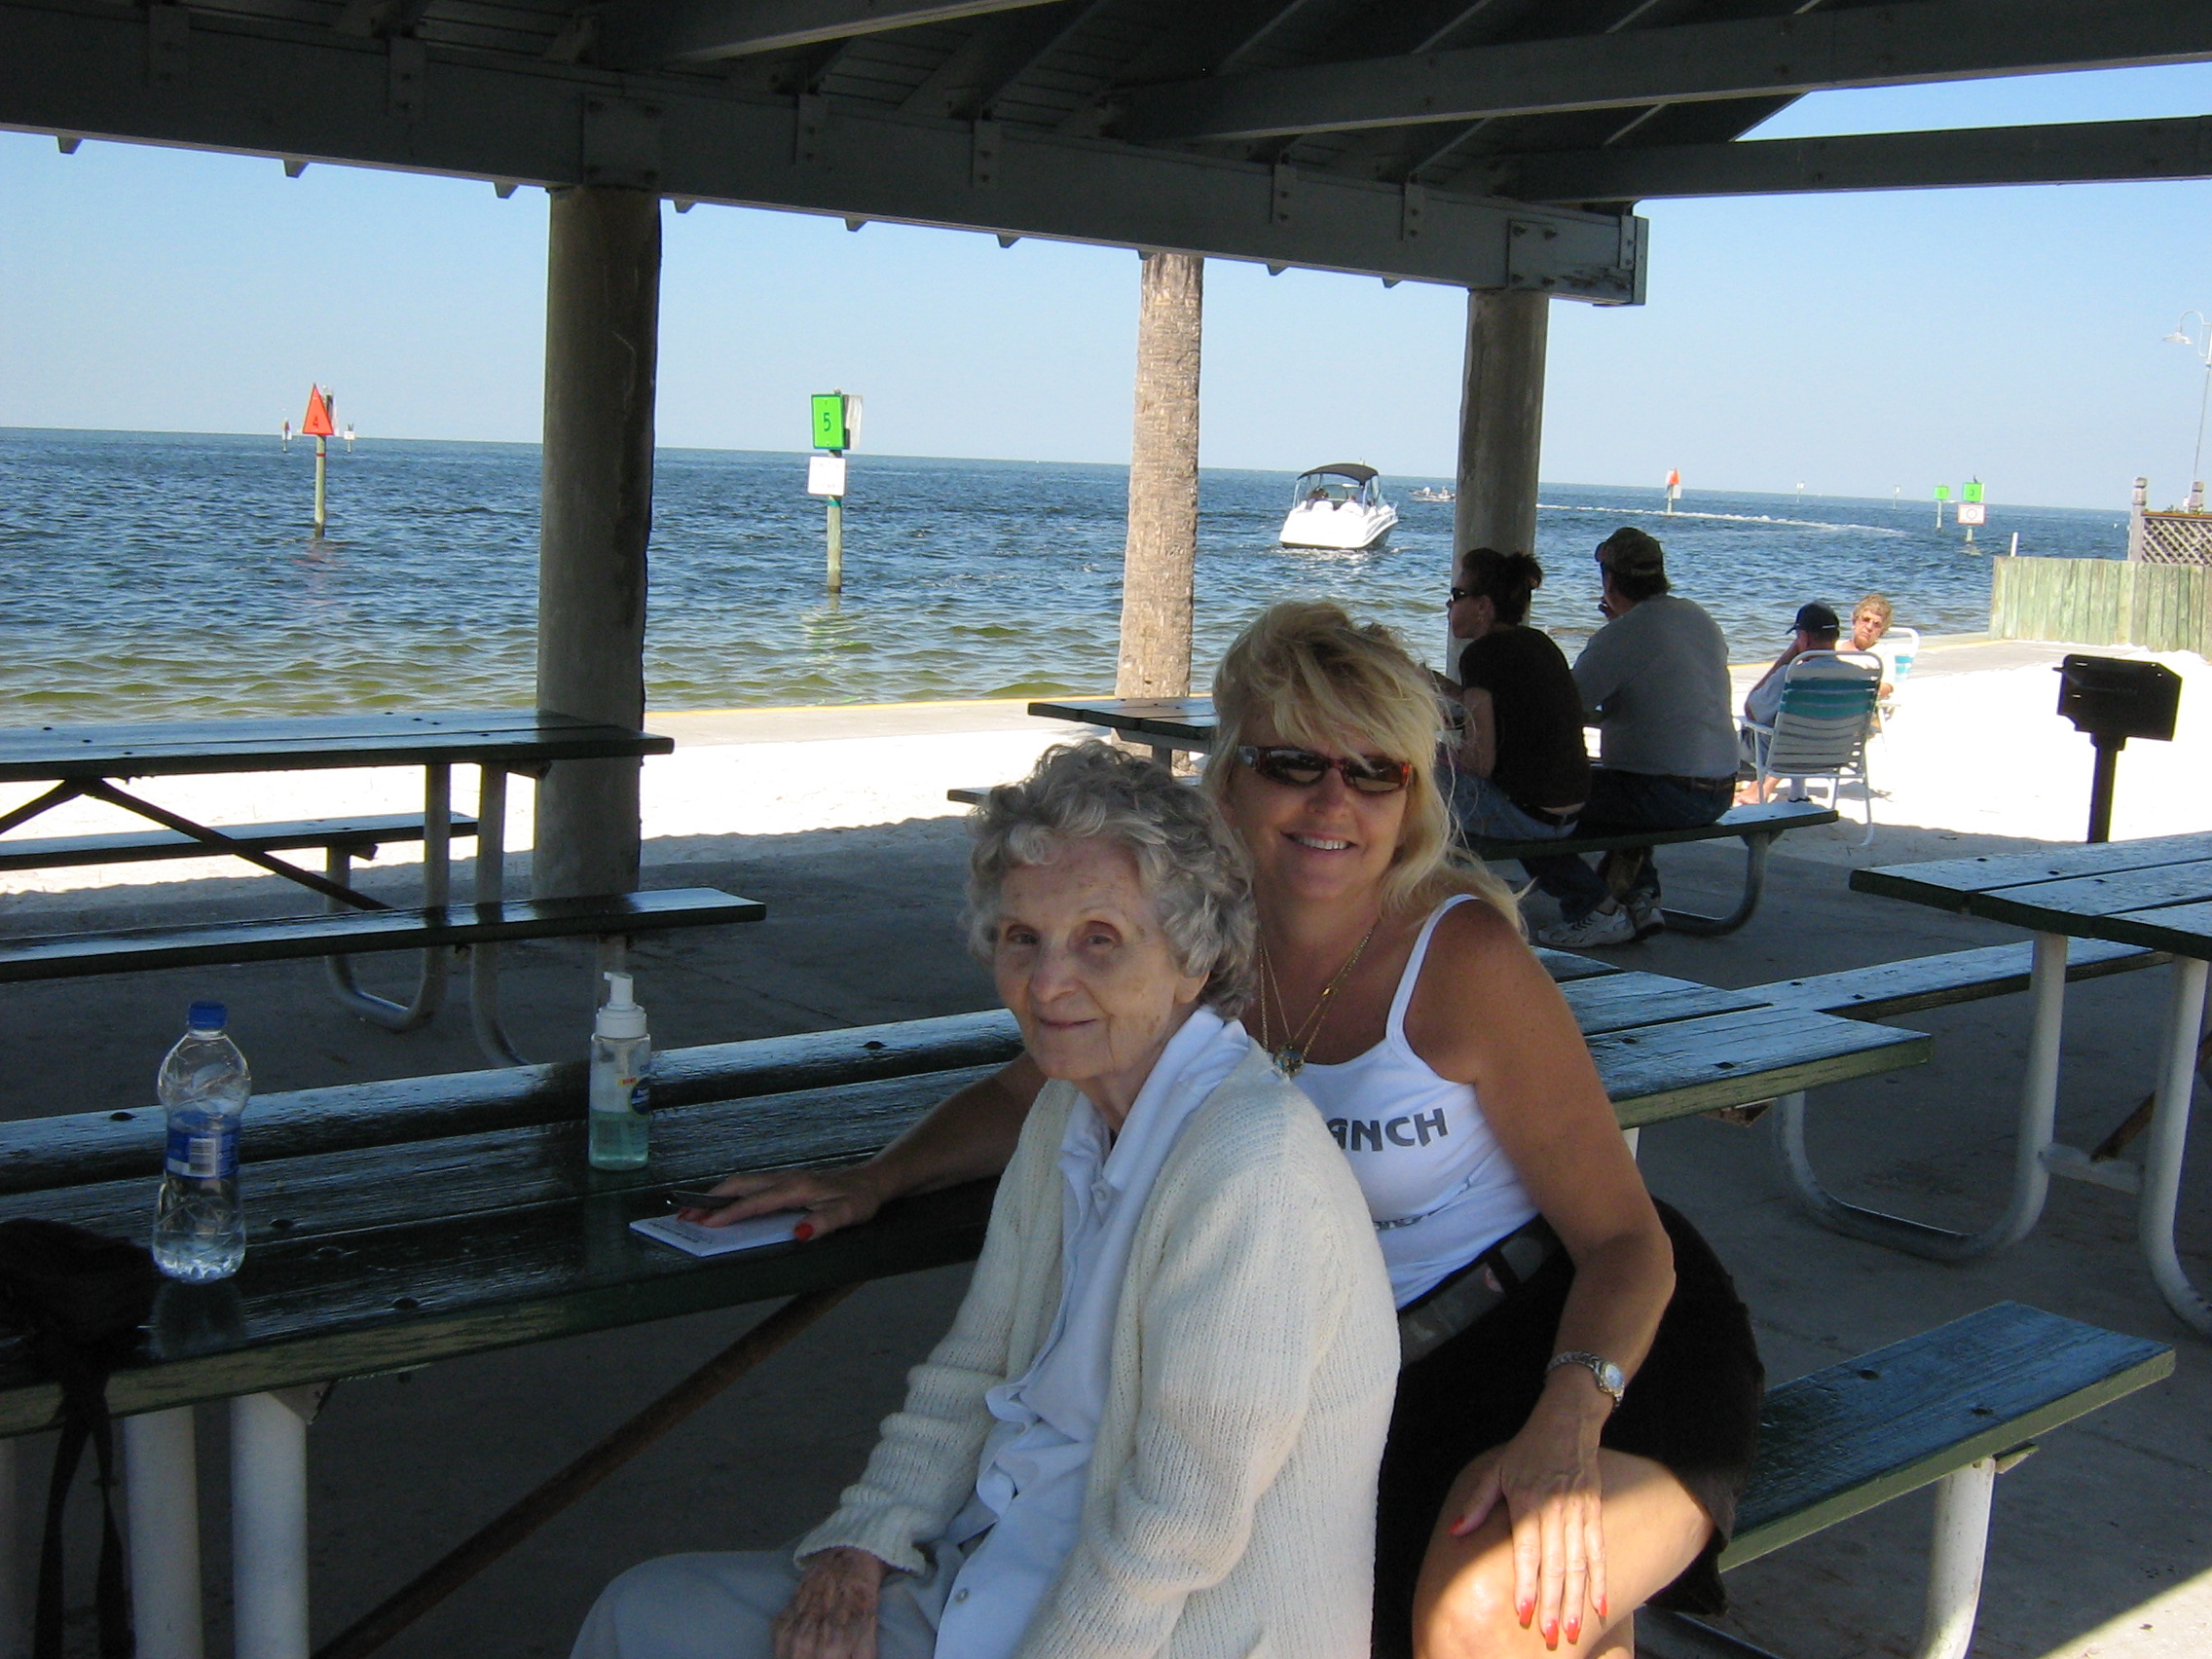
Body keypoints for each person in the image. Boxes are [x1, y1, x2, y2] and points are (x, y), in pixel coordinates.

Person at [690, 603, 1765, 1659]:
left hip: (1570, 1340)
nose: (1333, 800)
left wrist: (1566, 1423)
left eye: (1375, 770)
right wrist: (879, 1179)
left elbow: (1625, 1242)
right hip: (1358, 1379)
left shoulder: (1461, 961)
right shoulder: (1198, 938)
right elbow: (1031, 1093)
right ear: (1228, 775)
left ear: (1411, 795)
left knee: (1480, 1622)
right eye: (1292, 762)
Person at [573, 740, 1399, 1659]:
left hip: (1159, 1634)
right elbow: (974, 1369)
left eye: (1099, 939)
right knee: (640, 1614)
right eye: (1021, 938)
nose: (1047, 983)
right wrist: (863, 1541)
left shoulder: (1253, 1168)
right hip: (992, 1571)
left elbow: (1177, 1526)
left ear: (1193, 959)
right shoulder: (1066, 1113)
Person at [1523, 529, 1738, 949]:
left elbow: (1564, 708)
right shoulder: (1698, 617)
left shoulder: (1623, 635)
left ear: (1609, 580)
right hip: (1719, 790)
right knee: (1613, 791)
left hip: (1665, 793)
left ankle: (1593, 908)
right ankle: (1640, 896)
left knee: (1532, 808)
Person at [1438, 548, 1588, 854]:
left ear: (1483, 605)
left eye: (1457, 595)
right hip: (1566, 813)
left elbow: (1478, 764)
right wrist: (1448, 690)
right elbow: (1512, 709)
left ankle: (1414, 875)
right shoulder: (1537, 642)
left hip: (1522, 817)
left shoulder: (1481, 655)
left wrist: (1438, 751)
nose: (1449, 604)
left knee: (1405, 772)